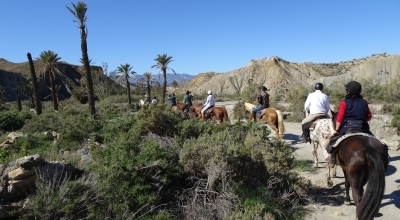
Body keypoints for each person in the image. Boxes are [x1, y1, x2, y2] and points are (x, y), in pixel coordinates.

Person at [328, 81, 373, 167]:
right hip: (363, 127)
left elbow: (340, 118)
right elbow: (369, 117)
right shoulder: (364, 102)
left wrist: (336, 130)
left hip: (347, 127)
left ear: (348, 91)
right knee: (374, 140)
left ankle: (333, 159)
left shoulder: (344, 103)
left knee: (332, 142)